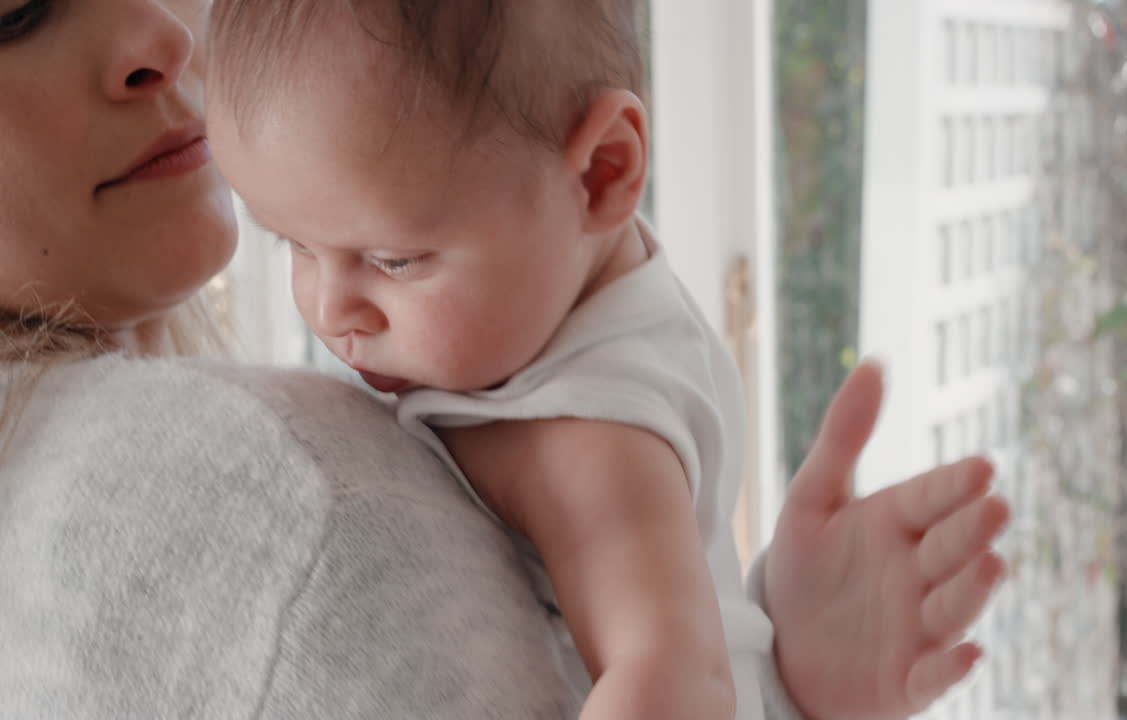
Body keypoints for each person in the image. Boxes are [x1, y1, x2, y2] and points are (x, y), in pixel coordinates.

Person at [0, 1, 1009, 719]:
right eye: (294, 247)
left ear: (604, 172)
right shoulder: (542, 300)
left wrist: (777, 679)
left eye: (390, 259)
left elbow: (677, 684)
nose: (328, 310)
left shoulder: (584, 437)